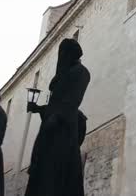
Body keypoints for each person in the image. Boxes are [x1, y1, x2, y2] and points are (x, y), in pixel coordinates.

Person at [25, 38, 91, 196]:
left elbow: (72, 101)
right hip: (50, 133)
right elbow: (56, 104)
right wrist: (39, 109)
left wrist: (57, 118)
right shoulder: (64, 74)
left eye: (63, 52)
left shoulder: (81, 72)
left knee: (58, 178)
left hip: (64, 133)